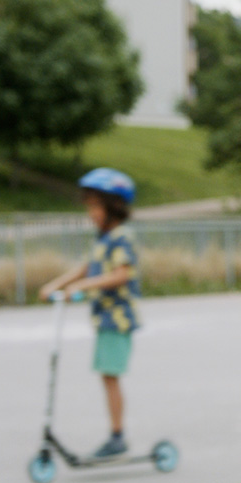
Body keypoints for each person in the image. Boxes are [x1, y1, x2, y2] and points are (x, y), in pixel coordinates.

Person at [39, 168, 142, 460]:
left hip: (117, 320)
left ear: (114, 207)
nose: (91, 213)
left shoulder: (121, 237)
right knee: (107, 376)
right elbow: (85, 267)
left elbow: (121, 274)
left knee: (110, 376)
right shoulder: (103, 239)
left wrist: (82, 286)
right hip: (104, 320)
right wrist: (56, 284)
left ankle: (117, 436)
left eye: (96, 207)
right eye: (89, 207)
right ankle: (116, 433)